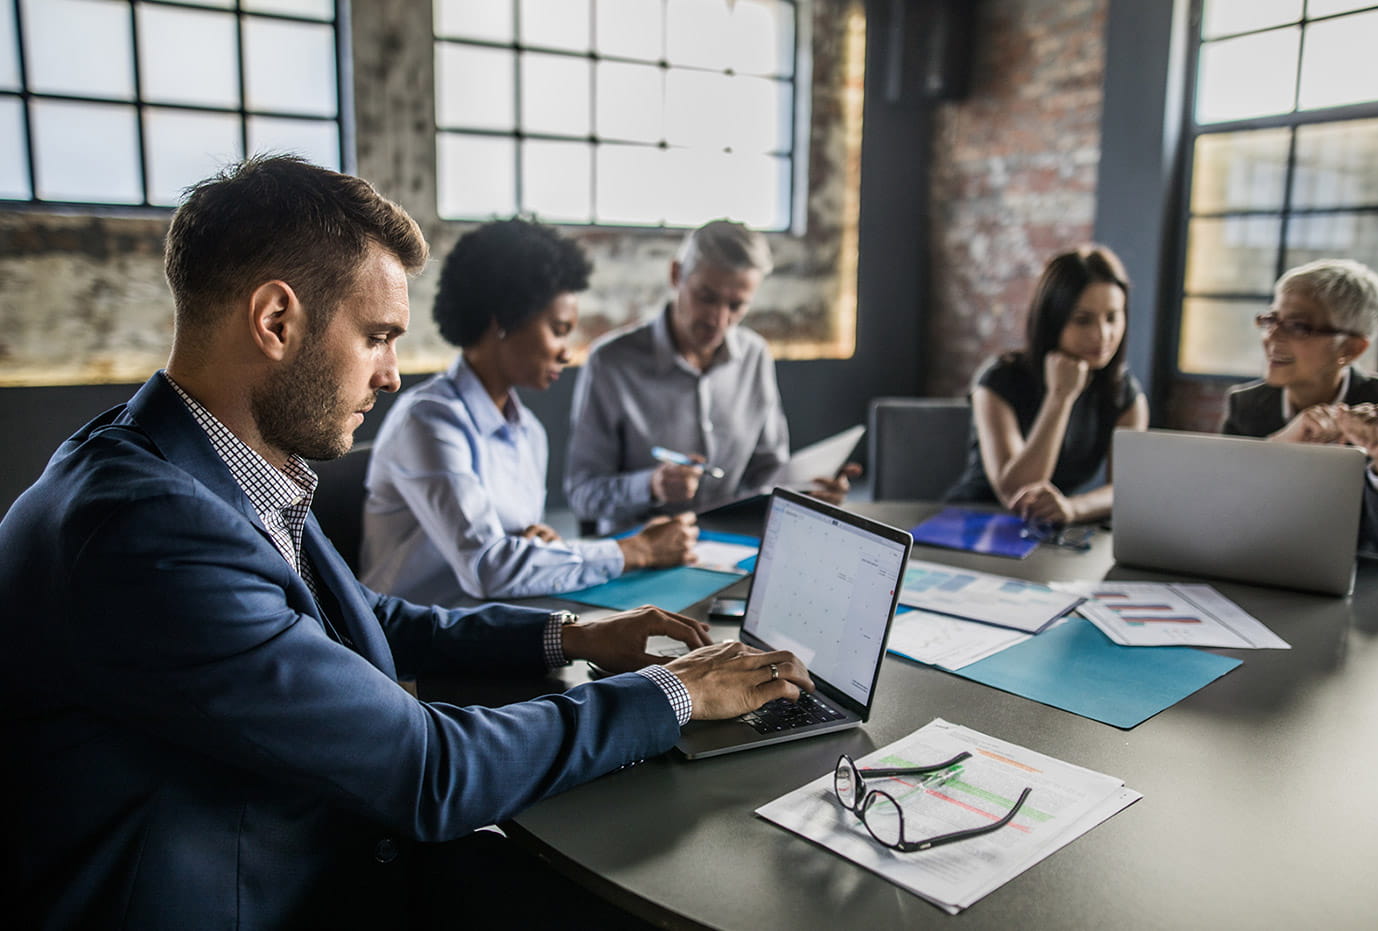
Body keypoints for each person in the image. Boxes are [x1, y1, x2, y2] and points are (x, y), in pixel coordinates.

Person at [0, 155, 812, 929]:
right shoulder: (149, 531)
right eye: (378, 336)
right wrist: (675, 692)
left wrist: (570, 633)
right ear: (277, 318)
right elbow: (428, 770)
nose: (391, 374)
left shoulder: (192, 456)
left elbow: (349, 617)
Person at [360, 219, 697, 604]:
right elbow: (489, 566)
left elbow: (511, 552)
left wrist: (542, 546)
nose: (567, 352)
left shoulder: (529, 433)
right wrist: (638, 550)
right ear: (503, 321)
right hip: (411, 650)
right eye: (558, 329)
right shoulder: (427, 422)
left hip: (494, 627)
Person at [564, 218, 856, 534]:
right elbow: (582, 494)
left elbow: (767, 473)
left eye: (736, 305)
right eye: (706, 297)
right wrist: (650, 486)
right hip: (640, 554)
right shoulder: (610, 362)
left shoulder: (754, 355)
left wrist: (809, 490)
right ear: (676, 275)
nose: (719, 319)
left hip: (731, 546)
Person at [946, 244, 1149, 524]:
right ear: (1053, 320)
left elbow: (1126, 489)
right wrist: (1060, 397)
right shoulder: (997, 380)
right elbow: (1017, 492)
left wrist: (1072, 508)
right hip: (976, 520)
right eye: (1082, 320)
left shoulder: (1124, 393)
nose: (1102, 335)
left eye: (1112, 317)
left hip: (1047, 529)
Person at [1221, 258, 1378, 561]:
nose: (1271, 338)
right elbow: (1219, 509)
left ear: (1351, 349)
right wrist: (1279, 445)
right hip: (1262, 568)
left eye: (1298, 327)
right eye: (1271, 321)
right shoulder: (1246, 405)